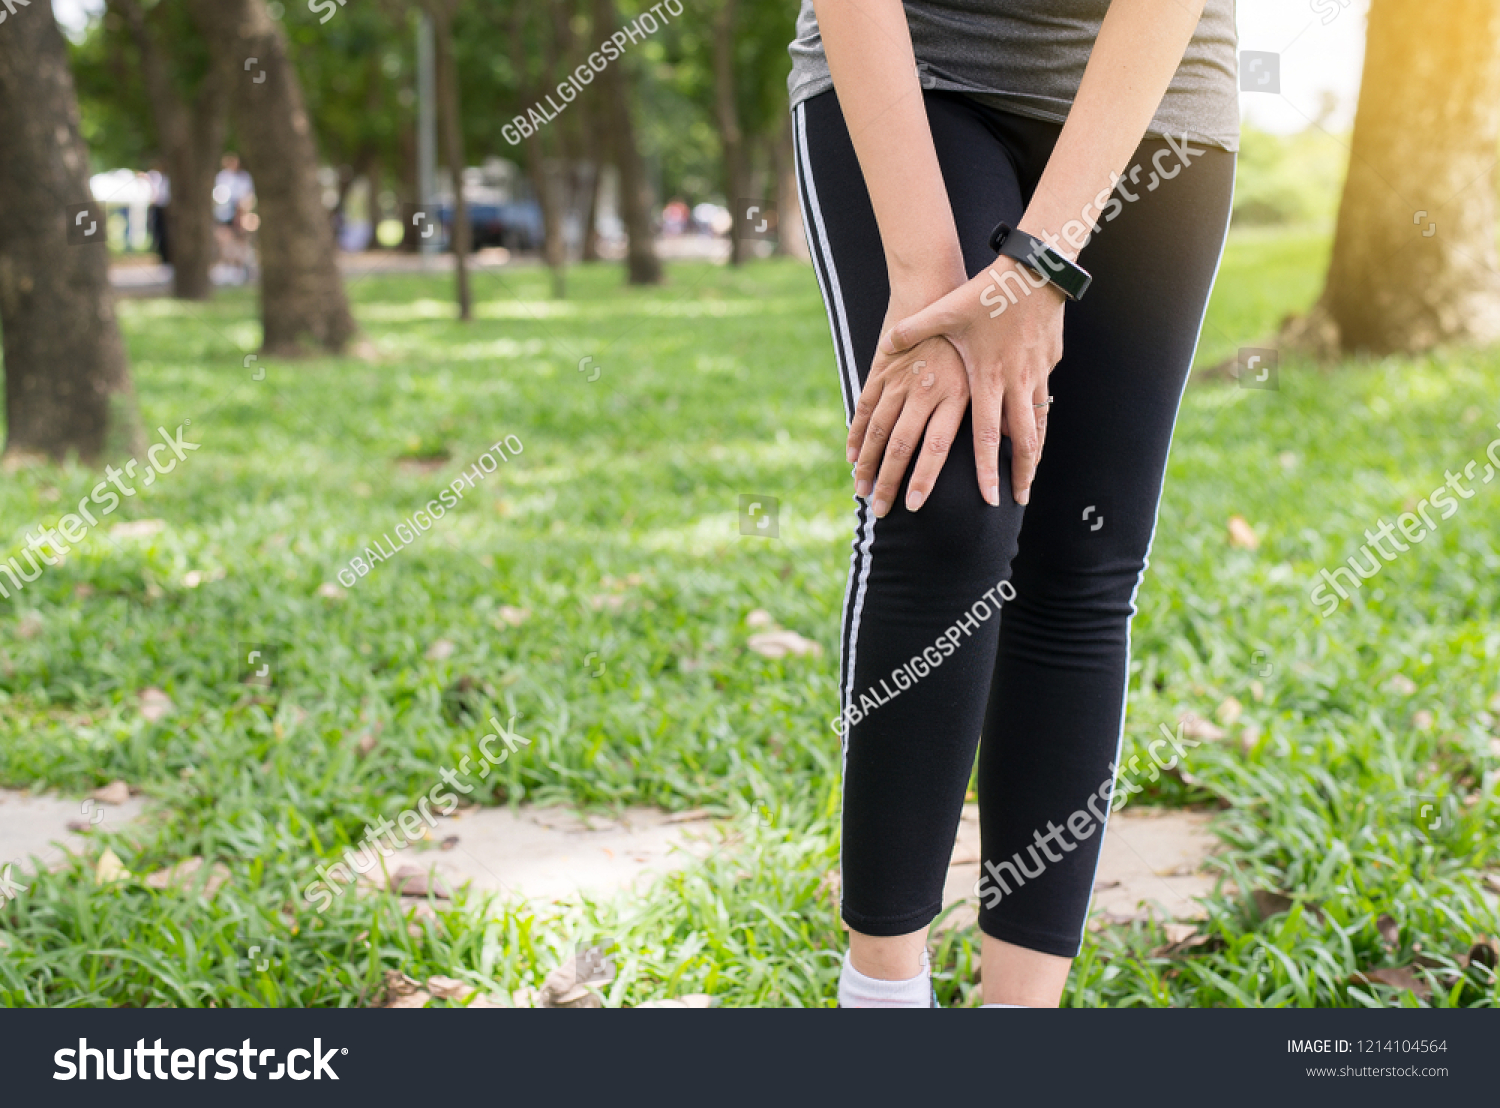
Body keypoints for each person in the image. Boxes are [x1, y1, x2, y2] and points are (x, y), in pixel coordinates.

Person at [788, 0, 1238, 1008]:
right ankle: (882, 997)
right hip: (921, 69)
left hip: (1150, 94)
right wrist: (929, 280)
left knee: (1083, 550)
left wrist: (1038, 265)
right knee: (946, 501)